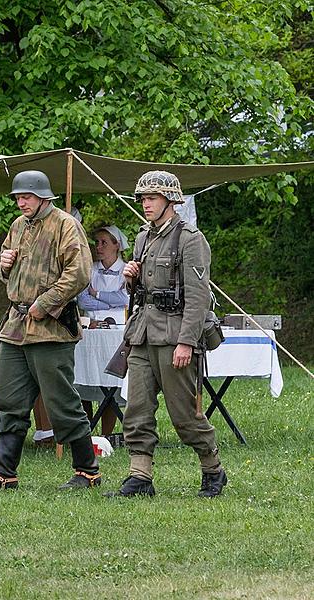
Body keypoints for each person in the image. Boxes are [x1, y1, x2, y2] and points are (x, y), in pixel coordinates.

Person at [0, 170, 99, 492]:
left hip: (51, 327)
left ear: (43, 196)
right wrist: (5, 264)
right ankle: (3, 474)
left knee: (61, 402)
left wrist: (46, 303)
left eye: (26, 196)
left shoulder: (66, 225)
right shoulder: (17, 227)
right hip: (16, 326)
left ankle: (87, 470)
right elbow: (7, 276)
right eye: (17, 197)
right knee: (8, 399)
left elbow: (80, 272)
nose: (20, 202)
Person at [108, 170, 226, 498]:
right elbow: (144, 289)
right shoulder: (144, 237)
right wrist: (130, 277)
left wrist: (187, 341)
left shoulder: (190, 239)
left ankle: (212, 468)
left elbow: (199, 297)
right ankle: (139, 476)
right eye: (143, 198)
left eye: (152, 198)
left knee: (184, 415)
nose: (145, 204)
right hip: (143, 334)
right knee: (137, 409)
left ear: (170, 200)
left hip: (175, 337)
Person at [78, 225, 130, 325]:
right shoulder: (89, 268)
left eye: (104, 243)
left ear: (117, 245)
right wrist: (110, 304)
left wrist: (95, 294)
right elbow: (82, 301)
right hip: (91, 323)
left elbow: (125, 299)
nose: (98, 247)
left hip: (118, 325)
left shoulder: (126, 270)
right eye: (97, 242)